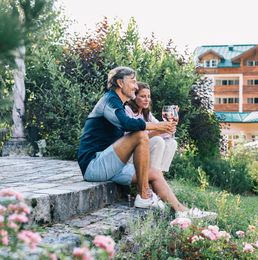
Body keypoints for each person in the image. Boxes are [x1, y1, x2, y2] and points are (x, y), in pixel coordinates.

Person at [77, 66, 216, 219]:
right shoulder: (109, 100)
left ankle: (183, 211)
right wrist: (157, 126)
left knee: (155, 173)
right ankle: (143, 196)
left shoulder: (119, 104)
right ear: (120, 83)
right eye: (133, 81)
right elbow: (127, 124)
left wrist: (166, 127)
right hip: (94, 164)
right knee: (140, 135)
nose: (136, 86)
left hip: (112, 166)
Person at [125, 82, 177, 173]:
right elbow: (134, 138)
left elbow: (162, 130)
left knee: (171, 142)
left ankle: (159, 175)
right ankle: (152, 178)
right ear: (134, 97)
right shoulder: (127, 110)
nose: (147, 100)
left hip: (143, 151)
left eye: (148, 96)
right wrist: (159, 130)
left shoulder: (147, 114)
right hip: (130, 153)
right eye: (143, 96)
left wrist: (169, 127)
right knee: (158, 140)